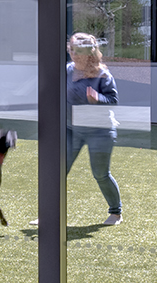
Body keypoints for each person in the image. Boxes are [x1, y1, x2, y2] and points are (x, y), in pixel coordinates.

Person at [31, 33, 124, 228]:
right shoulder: (66, 71)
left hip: (100, 131)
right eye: (71, 50)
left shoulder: (102, 75)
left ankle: (116, 213)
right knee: (58, 172)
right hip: (71, 129)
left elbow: (113, 101)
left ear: (89, 52)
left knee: (100, 174)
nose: (73, 54)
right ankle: (47, 215)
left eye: (78, 51)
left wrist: (98, 98)